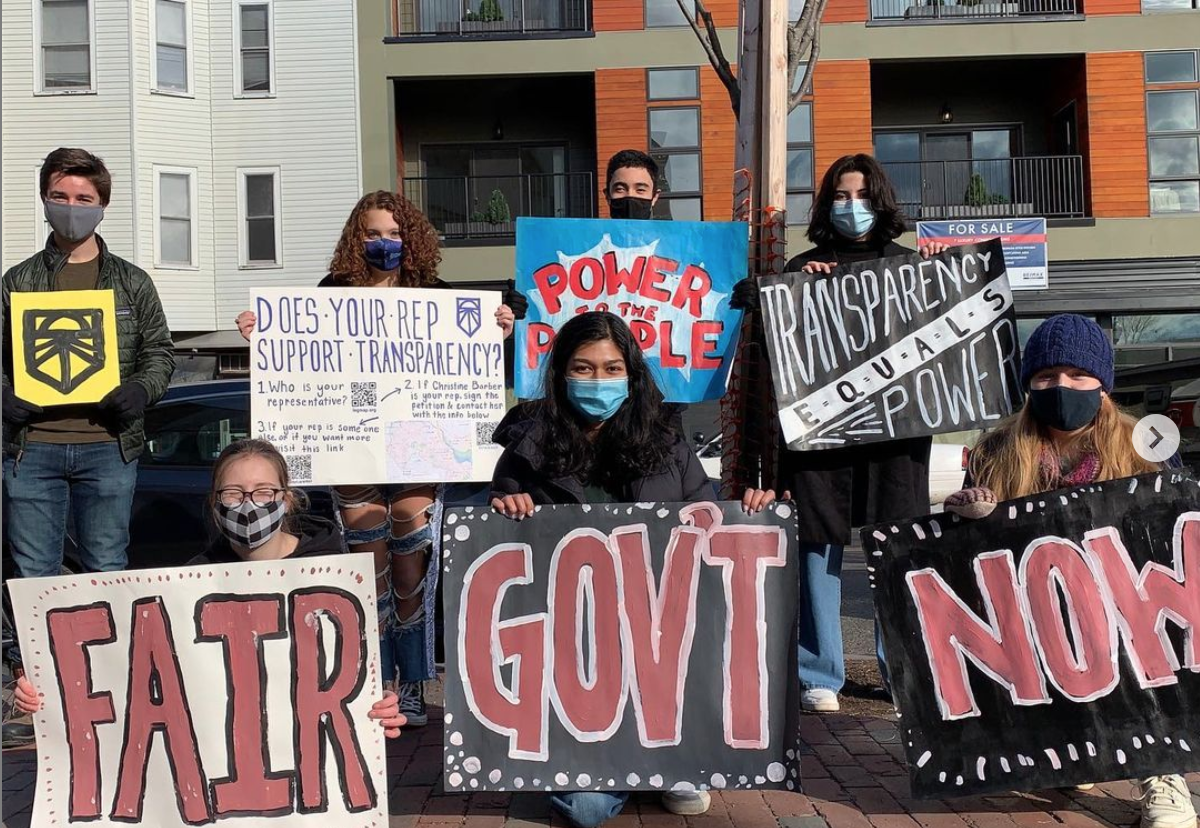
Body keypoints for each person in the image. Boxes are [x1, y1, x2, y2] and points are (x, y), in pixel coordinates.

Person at [235, 190, 517, 728]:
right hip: (351, 449)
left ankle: (410, 682)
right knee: (373, 571)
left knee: (412, 560)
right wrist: (261, 334)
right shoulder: (332, 292)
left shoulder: (434, 294)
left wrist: (497, 329)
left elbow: (468, 362)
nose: (382, 242)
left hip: (419, 446)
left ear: (408, 239)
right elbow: (299, 361)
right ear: (354, 238)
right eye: (371, 233)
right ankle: (376, 679)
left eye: (392, 233)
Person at [490, 311, 779, 826]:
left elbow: (704, 522)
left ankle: (672, 753)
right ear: (559, 374)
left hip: (659, 641)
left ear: (632, 374)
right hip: (574, 651)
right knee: (586, 809)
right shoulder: (525, 451)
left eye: (610, 368)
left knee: (673, 768)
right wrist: (507, 509)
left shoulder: (668, 445)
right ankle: (623, 759)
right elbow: (500, 550)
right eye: (582, 368)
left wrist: (749, 514)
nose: (597, 381)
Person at [943, 314, 1196, 828]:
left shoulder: (1141, 447)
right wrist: (968, 513)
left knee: (1140, 656)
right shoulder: (997, 450)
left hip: (1123, 602)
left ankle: (1163, 776)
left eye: (1078, 376)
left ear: (1103, 386)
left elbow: (1173, 527)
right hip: (1035, 600)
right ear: (1028, 385)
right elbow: (975, 553)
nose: (1062, 387)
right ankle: (1071, 748)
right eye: (1047, 376)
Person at [10, 437, 408, 738]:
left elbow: (352, 675)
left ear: (286, 500)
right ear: (215, 504)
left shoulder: (334, 578)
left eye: (264, 492)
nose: (249, 504)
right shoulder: (190, 587)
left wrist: (379, 708)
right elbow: (131, 675)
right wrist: (49, 691)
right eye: (233, 494)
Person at [739, 153, 947, 713]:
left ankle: (898, 670)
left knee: (893, 555)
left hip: (895, 444)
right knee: (817, 555)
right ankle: (820, 674)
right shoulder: (805, 269)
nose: (851, 207)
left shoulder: (914, 268)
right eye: (840, 196)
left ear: (881, 201)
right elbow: (756, 319)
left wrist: (938, 275)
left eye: (861, 195)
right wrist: (793, 287)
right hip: (822, 442)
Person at [2, 148, 176, 579]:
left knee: (106, 570)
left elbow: (159, 352)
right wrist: (3, 396)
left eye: (83, 199)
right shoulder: (17, 281)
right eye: (59, 196)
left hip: (109, 446)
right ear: (44, 201)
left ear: (102, 206)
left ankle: (104, 651)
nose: (71, 208)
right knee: (34, 575)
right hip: (33, 448)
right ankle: (36, 649)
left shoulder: (132, 281)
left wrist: (140, 390)